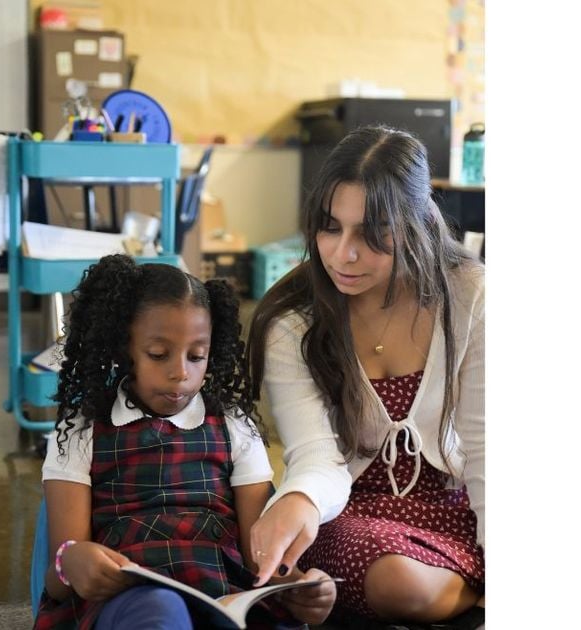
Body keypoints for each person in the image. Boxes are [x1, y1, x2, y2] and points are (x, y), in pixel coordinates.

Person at [246, 126, 485, 625]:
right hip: (352, 515)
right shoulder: (294, 322)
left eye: (372, 233)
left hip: (457, 508)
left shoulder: (472, 296)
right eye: (330, 227)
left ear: (417, 224)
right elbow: (316, 457)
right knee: (396, 579)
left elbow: (487, 449)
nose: (343, 254)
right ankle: (471, 598)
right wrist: (300, 501)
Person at [33, 254, 336, 630]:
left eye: (197, 356)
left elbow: (261, 560)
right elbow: (57, 582)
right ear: (124, 347)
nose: (180, 373)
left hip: (222, 592)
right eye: (158, 355)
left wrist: (300, 587)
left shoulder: (234, 426)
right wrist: (72, 561)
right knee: (160, 612)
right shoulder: (83, 431)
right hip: (132, 599)